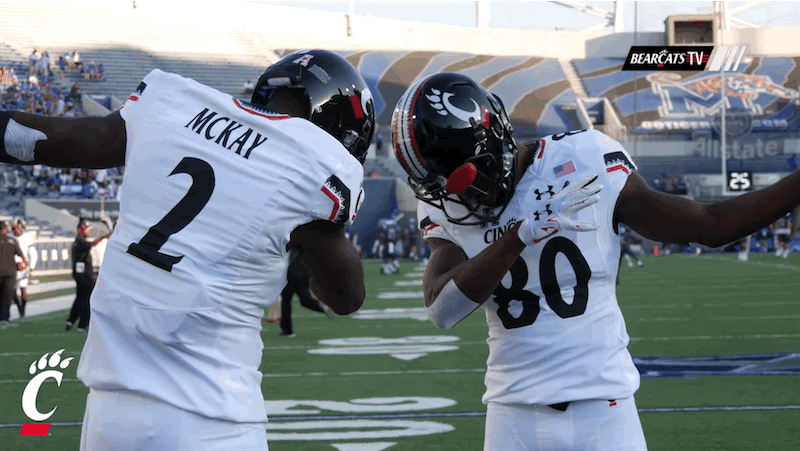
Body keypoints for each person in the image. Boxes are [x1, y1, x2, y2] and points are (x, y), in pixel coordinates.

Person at [389, 72, 800, 451]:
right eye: (438, 188)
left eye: (460, 180)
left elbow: (710, 225)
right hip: (512, 414)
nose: (455, 197)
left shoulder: (587, 159)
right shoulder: (447, 206)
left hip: (605, 410)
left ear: (493, 139)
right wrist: (518, 237)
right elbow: (441, 309)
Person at [0, 49, 374, 450]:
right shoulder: (314, 167)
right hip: (212, 418)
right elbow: (346, 296)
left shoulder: (172, 104)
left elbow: (48, 141)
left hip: (108, 417)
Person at [66, 219, 111, 332]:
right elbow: (91, 244)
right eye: (87, 229)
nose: (89, 232)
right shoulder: (80, 241)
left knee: (80, 298)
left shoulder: (78, 241)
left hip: (80, 273)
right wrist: (103, 237)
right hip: (83, 274)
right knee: (87, 299)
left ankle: (71, 320)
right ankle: (83, 324)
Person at [279, 249, 335, 338]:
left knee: (302, 301)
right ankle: (286, 330)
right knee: (289, 302)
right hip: (293, 273)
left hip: (296, 273)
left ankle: (287, 330)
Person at [1, 220, 27, 328]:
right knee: (7, 297)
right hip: (11, 272)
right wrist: (23, 264)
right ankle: (4, 318)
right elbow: (22, 256)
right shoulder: (12, 240)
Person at [12, 217, 37, 318]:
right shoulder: (9, 236)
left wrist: (31, 267)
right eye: (14, 227)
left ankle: (23, 310)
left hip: (23, 266)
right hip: (11, 266)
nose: (15, 230)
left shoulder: (27, 237)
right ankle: (19, 307)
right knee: (12, 291)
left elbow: (33, 254)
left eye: (17, 227)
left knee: (23, 290)